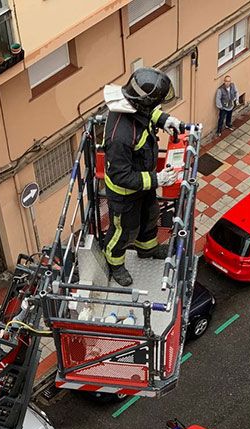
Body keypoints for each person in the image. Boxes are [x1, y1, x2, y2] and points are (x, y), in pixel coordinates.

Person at [102, 67, 188, 287]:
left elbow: (149, 114)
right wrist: (157, 180)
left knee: (149, 216)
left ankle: (147, 249)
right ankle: (115, 263)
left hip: (145, 181)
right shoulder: (121, 135)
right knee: (124, 231)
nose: (155, 107)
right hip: (125, 194)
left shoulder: (136, 106)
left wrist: (166, 120)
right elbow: (121, 176)